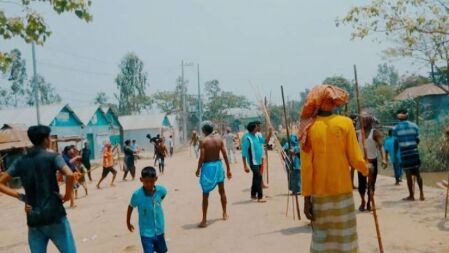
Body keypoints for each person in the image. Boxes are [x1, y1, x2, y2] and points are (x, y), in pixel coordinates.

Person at [299, 85, 369, 253]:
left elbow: (306, 168)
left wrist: (307, 199)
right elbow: (355, 158)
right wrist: (367, 169)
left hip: (319, 194)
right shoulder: (345, 123)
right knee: (345, 239)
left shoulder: (307, 128)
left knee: (322, 241)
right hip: (342, 192)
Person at [0, 125, 77, 253]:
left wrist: (20, 196)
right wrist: (67, 196)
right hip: (55, 215)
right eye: (50, 138)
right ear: (46, 139)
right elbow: (69, 174)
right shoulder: (53, 157)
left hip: (34, 219)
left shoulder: (20, 161)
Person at [195, 121, 232, 228]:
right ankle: (225, 213)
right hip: (218, 165)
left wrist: (198, 169)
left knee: (205, 194)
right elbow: (225, 155)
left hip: (208, 167)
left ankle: (204, 220)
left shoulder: (204, 141)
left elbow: (202, 157)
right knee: (222, 191)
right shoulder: (219, 139)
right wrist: (228, 169)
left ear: (204, 131)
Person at [127, 166, 168, 253]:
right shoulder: (137, 195)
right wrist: (128, 222)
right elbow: (131, 206)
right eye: (146, 182)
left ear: (156, 179)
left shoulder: (160, 190)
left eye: (151, 181)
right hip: (145, 232)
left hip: (159, 230)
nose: (149, 184)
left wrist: (158, 202)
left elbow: (163, 194)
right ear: (141, 180)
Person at [357, 112, 387, 212]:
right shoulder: (358, 133)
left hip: (372, 162)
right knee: (361, 185)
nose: (363, 122)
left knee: (371, 184)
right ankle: (363, 201)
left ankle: (370, 202)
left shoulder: (375, 133)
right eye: (362, 120)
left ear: (370, 121)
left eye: (365, 120)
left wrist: (384, 159)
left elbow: (381, 146)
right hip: (361, 162)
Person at [392, 109, 425, 201]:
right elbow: (418, 140)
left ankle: (411, 195)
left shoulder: (395, 128)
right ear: (407, 115)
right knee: (418, 173)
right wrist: (414, 146)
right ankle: (422, 194)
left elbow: (395, 143)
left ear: (398, 117)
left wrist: (395, 155)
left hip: (404, 153)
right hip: (414, 152)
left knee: (408, 174)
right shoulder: (414, 126)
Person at [242, 121, 267, 202]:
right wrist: (245, 166)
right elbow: (244, 153)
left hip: (258, 160)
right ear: (253, 128)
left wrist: (270, 133)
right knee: (259, 177)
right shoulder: (247, 138)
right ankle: (260, 196)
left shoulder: (256, 136)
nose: (258, 127)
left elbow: (265, 141)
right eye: (257, 126)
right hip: (252, 161)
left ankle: (253, 194)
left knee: (256, 177)